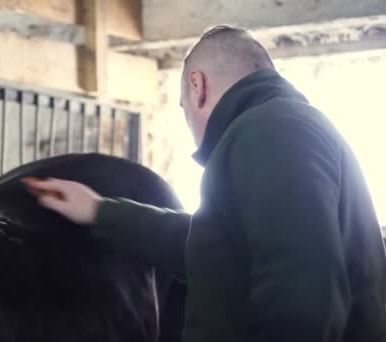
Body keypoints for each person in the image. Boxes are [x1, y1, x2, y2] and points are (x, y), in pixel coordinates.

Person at [22, 25, 386, 341]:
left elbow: (304, 299)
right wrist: (101, 212)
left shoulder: (272, 132)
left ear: (197, 85)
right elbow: (212, 249)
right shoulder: (279, 129)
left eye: (182, 107)